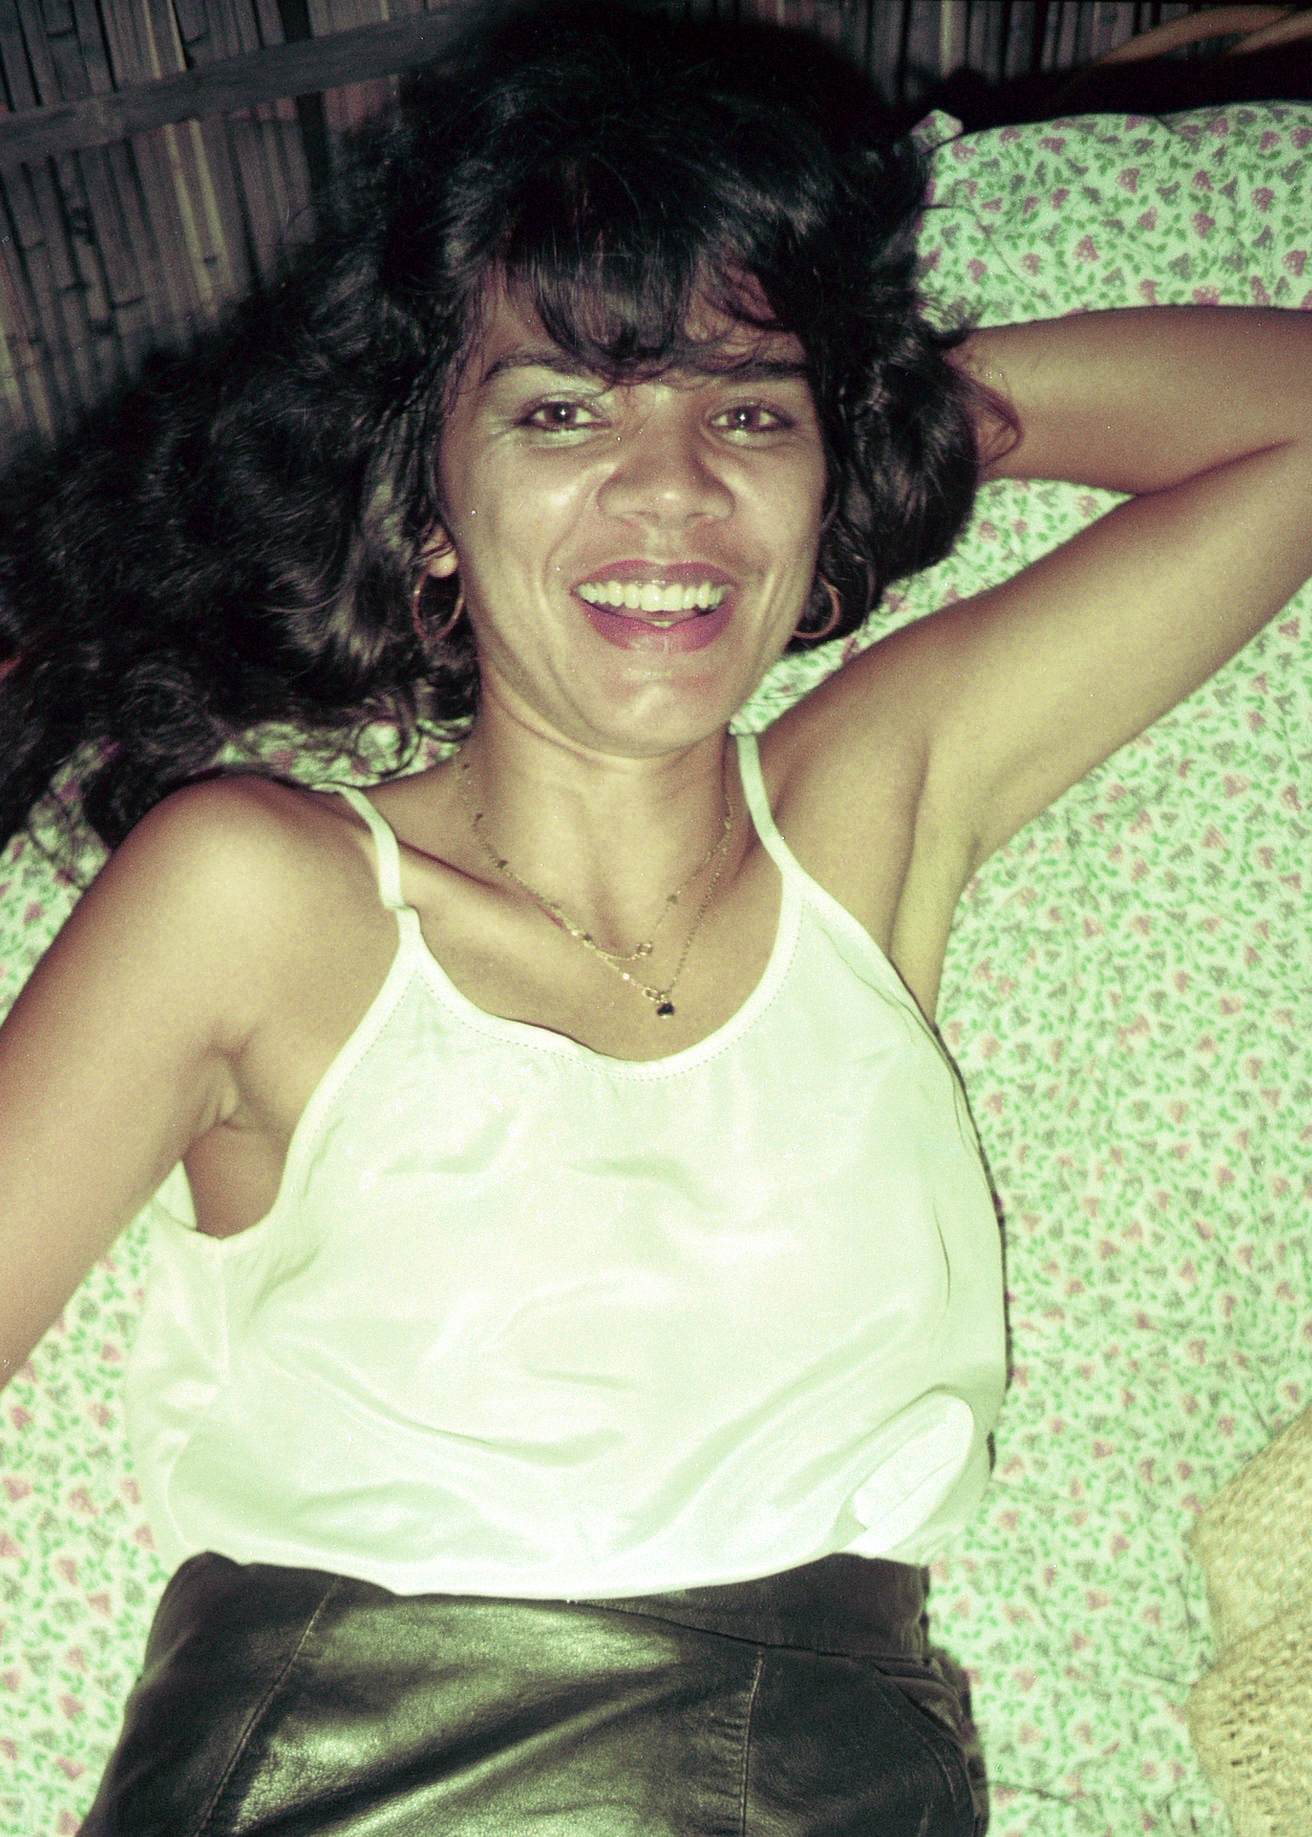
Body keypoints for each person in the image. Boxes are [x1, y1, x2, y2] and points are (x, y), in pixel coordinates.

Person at [1, 5, 1310, 1832]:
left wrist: (880, 429)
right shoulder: (254, 893)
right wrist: (768, 406)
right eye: (562, 409)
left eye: (743, 410)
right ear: (430, 501)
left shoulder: (865, 817)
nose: (672, 484)